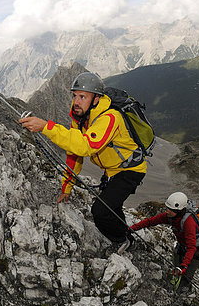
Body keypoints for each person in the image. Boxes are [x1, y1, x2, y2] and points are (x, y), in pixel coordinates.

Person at [19, 72, 146, 254]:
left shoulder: (109, 118)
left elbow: (86, 146)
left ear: (96, 99)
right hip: (113, 170)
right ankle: (128, 238)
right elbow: (74, 155)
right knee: (113, 206)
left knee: (100, 211)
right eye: (75, 96)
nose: (76, 101)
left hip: (130, 170)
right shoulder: (81, 119)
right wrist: (66, 187)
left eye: (82, 97)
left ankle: (121, 240)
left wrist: (46, 127)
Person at [129, 192, 199, 293]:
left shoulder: (188, 222)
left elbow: (192, 247)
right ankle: (176, 281)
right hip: (182, 246)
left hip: (197, 251)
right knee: (176, 267)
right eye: (167, 208)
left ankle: (184, 290)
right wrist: (132, 228)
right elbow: (150, 221)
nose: (167, 211)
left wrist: (184, 265)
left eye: (171, 210)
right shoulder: (169, 216)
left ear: (179, 211)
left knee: (186, 274)